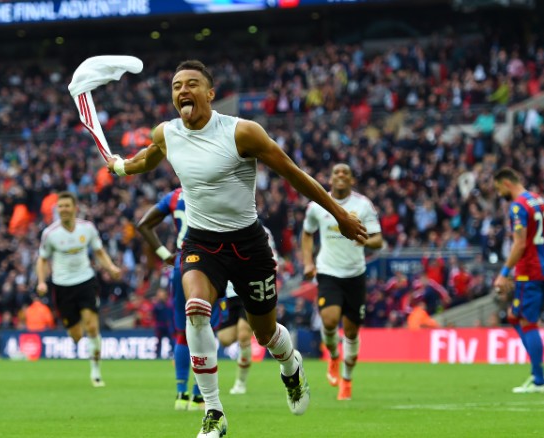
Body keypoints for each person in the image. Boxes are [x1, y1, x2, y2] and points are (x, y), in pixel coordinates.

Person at [108, 60, 367, 438]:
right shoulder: (167, 133)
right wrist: (120, 167)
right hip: (201, 242)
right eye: (177, 85)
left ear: (210, 94)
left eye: (192, 83)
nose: (183, 90)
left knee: (266, 334)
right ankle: (214, 412)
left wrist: (340, 213)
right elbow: (147, 158)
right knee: (195, 308)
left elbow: (293, 172)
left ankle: (290, 366)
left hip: (248, 244)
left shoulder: (242, 132)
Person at [301, 163, 383, 401]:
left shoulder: (363, 205)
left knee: (351, 331)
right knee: (329, 319)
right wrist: (308, 262)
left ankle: (346, 380)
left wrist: (364, 240)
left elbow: (378, 240)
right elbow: (307, 233)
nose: (340, 176)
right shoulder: (318, 204)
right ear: (330, 178)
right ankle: (334, 355)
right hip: (328, 272)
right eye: (336, 172)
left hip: (355, 274)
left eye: (345, 173)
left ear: (351, 180)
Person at [137, 187, 217, 411]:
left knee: (183, 331)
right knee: (207, 327)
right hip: (209, 261)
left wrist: (166, 256)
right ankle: (199, 396)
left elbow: (143, 225)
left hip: (182, 263)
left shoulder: (174, 196)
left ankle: (181, 394)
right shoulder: (214, 188)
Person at [36, 191, 122, 387]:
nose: (64, 210)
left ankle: (96, 372)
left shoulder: (87, 228)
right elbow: (42, 259)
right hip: (62, 286)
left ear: (75, 208)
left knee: (92, 326)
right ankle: (82, 335)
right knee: (76, 335)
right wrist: (41, 281)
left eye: (67, 206)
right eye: (60, 207)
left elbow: (99, 251)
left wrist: (111, 267)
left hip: (85, 281)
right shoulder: (50, 234)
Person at [493, 167, 544, 394]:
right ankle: (536, 372)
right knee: (514, 316)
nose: (499, 194)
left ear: (506, 184)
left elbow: (520, 243)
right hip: (543, 269)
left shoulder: (518, 206)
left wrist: (504, 272)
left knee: (527, 323)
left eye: (498, 189)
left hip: (528, 272)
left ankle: (538, 379)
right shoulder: (540, 201)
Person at [217, 225, 278, 396]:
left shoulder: (263, 231)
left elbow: (273, 257)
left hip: (249, 287)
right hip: (229, 293)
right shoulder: (221, 228)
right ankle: (260, 332)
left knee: (244, 335)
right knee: (225, 339)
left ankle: (240, 383)